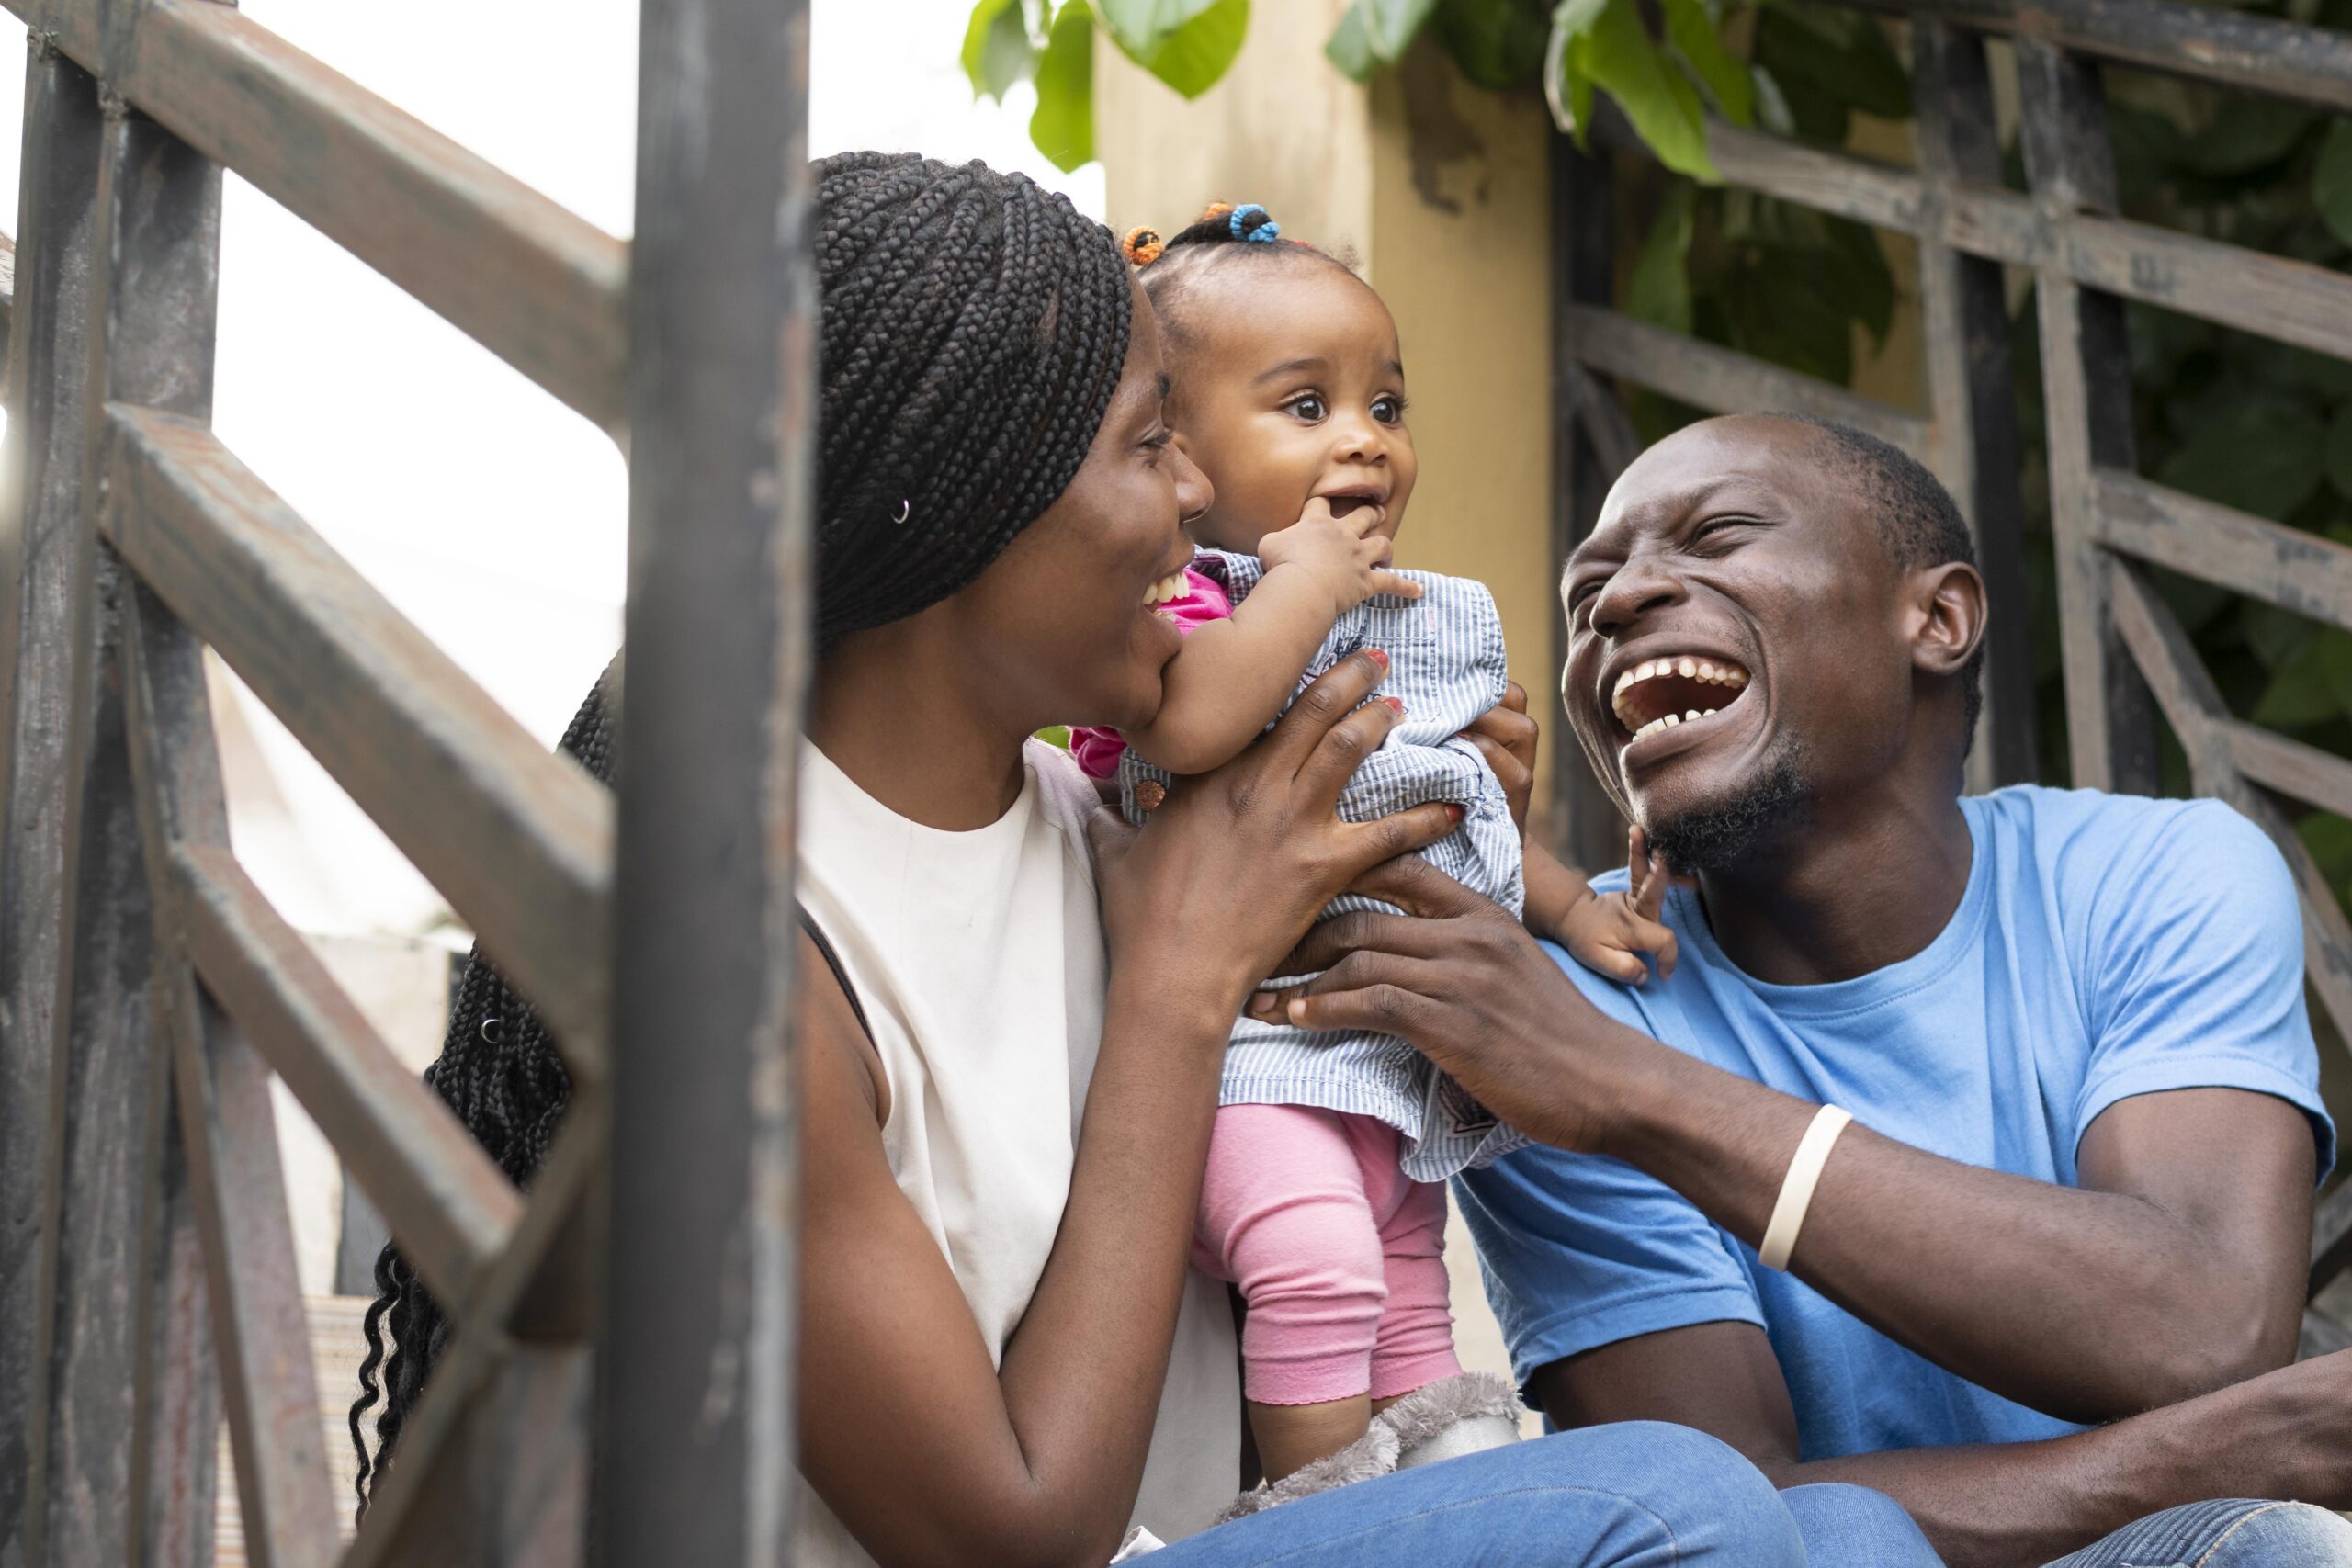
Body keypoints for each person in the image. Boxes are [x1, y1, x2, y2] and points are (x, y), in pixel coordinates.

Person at [347, 160, 1932, 1567]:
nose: (1198, 499)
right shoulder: (755, 967)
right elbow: (1009, 1532)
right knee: (1682, 1502)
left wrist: (1456, 816)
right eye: (1146, 444)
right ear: (967, 510)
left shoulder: (1083, 825)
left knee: (1847, 1530)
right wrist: (1184, 982)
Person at [1259, 412, 2352, 1567]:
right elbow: (1722, 1529)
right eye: (1587, 593)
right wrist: (2227, 1450)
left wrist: (1625, 1091)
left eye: (1718, 535)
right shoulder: (1541, 1019)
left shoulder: (2152, 877)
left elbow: (2197, 1321)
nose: (1618, 602)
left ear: (1937, 618)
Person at [1062, 199, 1678, 1502]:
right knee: (1318, 1265)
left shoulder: (1415, 613)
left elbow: (1459, 808)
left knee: (1409, 1301)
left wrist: (1568, 907)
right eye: (1304, 407)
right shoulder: (1186, 606)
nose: (1363, 438)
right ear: (1175, 453)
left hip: (1388, 1074)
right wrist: (1306, 588)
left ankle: (1453, 1511)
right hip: (1247, 1059)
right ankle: (1327, 1527)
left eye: (1386, 407)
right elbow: (1192, 719)